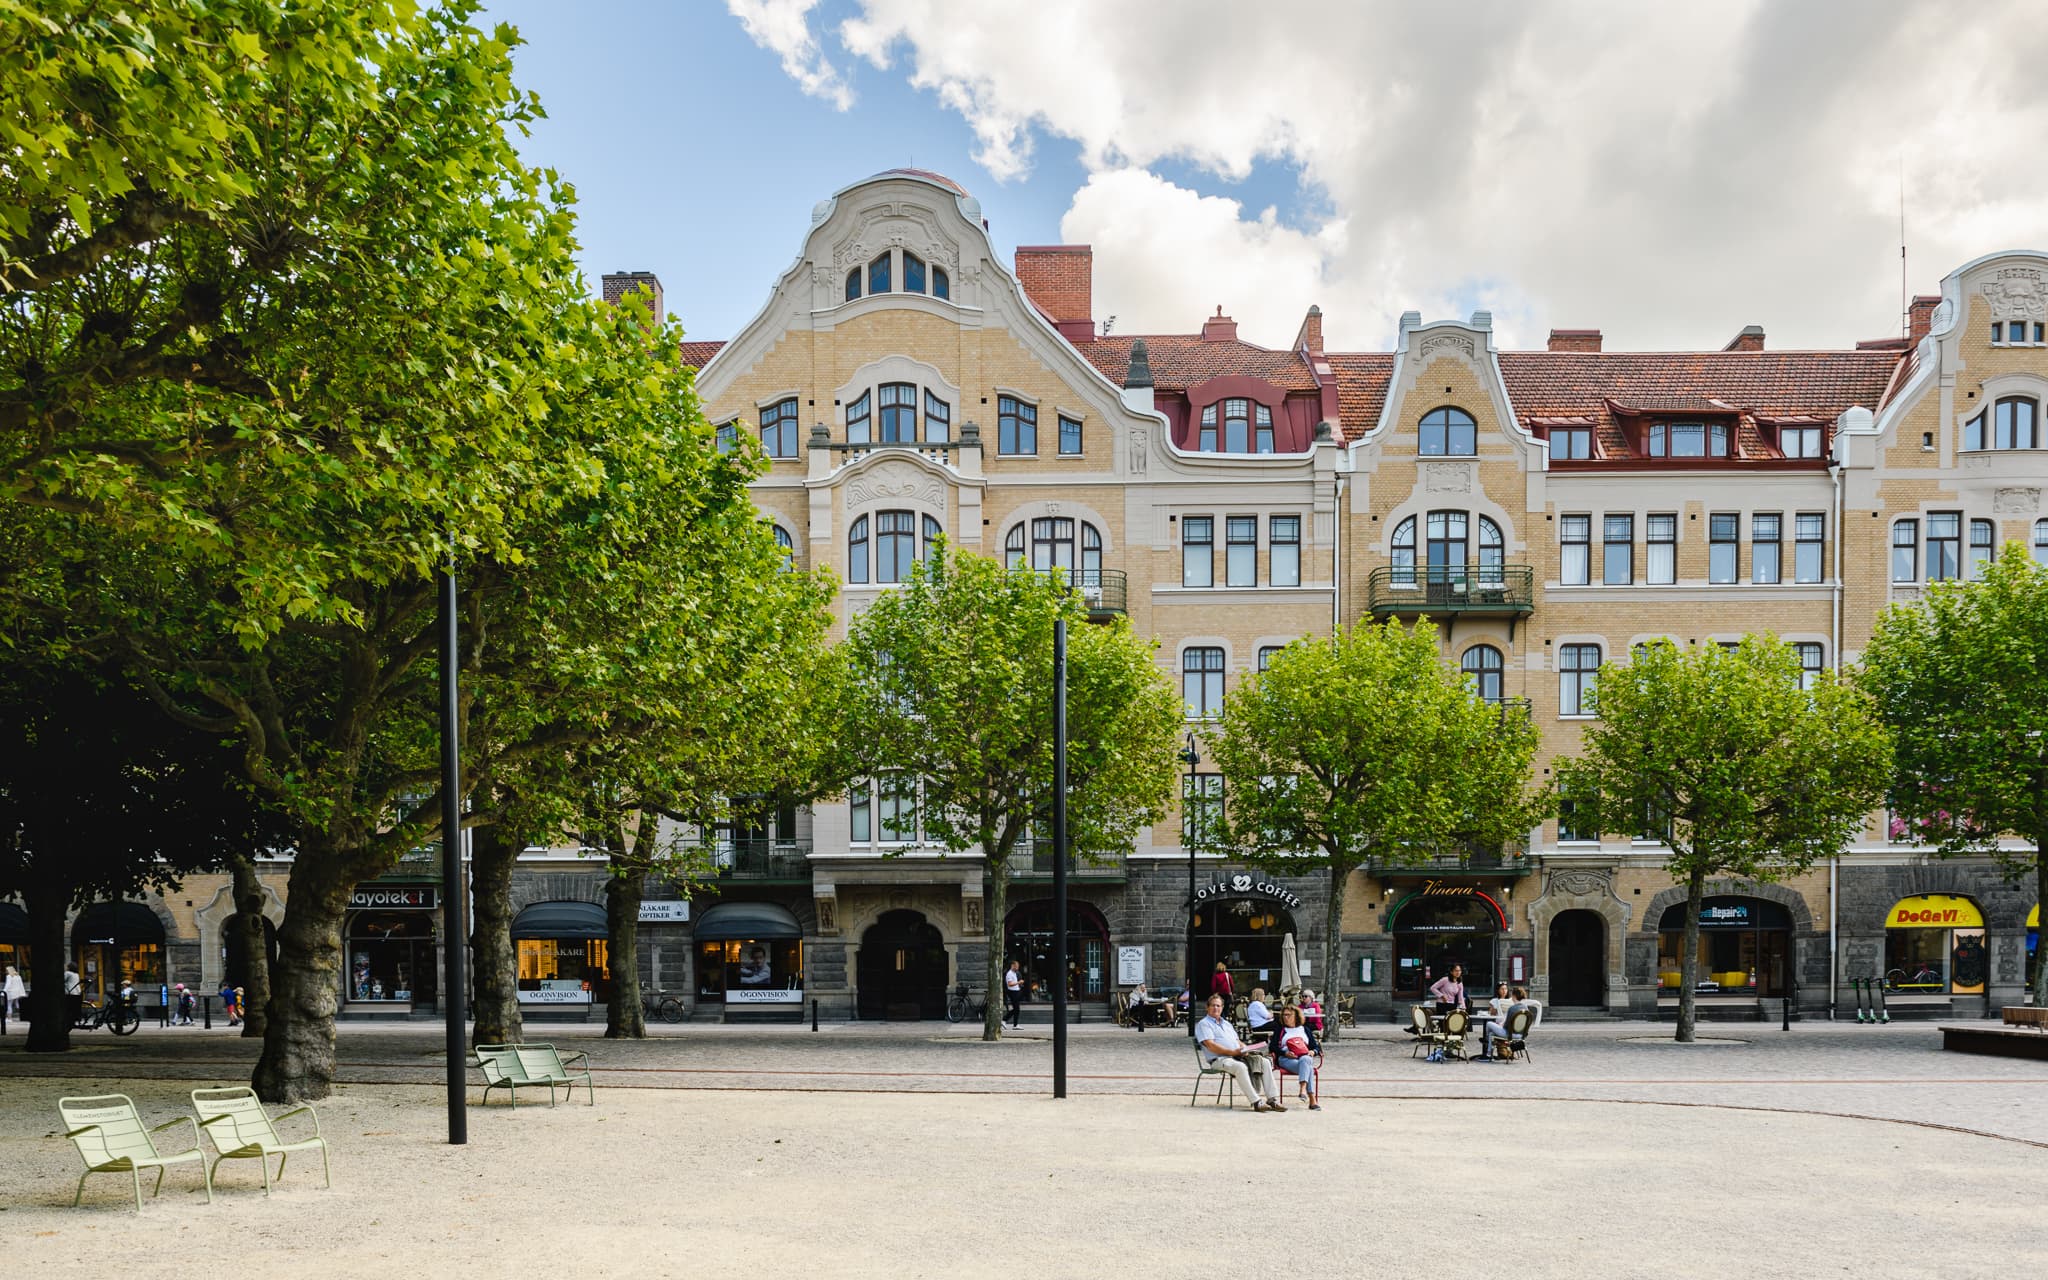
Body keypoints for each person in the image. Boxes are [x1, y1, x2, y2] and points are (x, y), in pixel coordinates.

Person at [1194, 993, 1284, 1113]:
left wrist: (1246, 1049)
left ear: (1222, 1007)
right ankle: (1256, 1101)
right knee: (1240, 1067)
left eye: (1218, 1006)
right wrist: (1232, 1052)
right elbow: (1211, 1045)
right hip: (1220, 1059)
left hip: (1237, 1055)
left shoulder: (1226, 1024)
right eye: (1213, 1005)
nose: (1216, 1008)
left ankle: (1272, 1099)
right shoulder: (1204, 1024)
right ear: (1207, 1007)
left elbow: (1238, 1041)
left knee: (1264, 1062)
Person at [1272, 1004, 1322, 1110]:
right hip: (1286, 1059)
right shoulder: (1280, 1030)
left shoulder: (1305, 1029)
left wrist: (1313, 1051)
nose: (1286, 1017)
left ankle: (1303, 1089)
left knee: (1306, 1059)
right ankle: (1312, 1099)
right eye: (1284, 1015)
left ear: (1296, 1016)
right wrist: (1284, 1053)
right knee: (1308, 1067)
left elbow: (1316, 1047)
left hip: (1303, 1058)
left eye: (1289, 1015)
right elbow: (1272, 1047)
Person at [1480, 986, 1543, 1061]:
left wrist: (1500, 1025)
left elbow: (1506, 1026)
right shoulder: (1526, 1009)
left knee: (1489, 1023)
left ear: (1514, 996)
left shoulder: (1512, 1008)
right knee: (1492, 1034)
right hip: (1521, 1035)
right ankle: (1489, 1054)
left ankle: (1486, 1040)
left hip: (1509, 1034)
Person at [1002, 960, 1023, 1028]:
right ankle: (1005, 1020)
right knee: (1016, 1009)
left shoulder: (1014, 973)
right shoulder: (1009, 974)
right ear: (1012, 966)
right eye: (1016, 966)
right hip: (1012, 992)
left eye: (1018, 966)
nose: (1017, 968)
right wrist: (1019, 982)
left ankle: (1014, 1024)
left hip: (1016, 991)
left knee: (1016, 1009)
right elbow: (1010, 984)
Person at [63, 963, 82, 1028]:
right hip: (77, 993)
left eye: (67, 967)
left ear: (69, 967)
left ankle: (68, 1022)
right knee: (73, 1009)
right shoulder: (77, 974)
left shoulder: (67, 973)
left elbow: (62, 980)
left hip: (70, 993)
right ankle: (73, 1021)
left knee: (68, 1009)